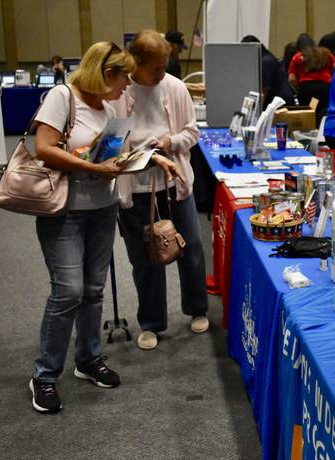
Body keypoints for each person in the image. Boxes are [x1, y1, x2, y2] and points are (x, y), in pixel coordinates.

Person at [28, 41, 179, 413]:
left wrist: (151, 158)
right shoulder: (62, 97)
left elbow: (116, 157)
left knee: (93, 290)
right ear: (105, 74)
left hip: (101, 209)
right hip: (63, 211)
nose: (128, 85)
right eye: (124, 77)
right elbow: (44, 147)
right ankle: (44, 376)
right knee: (68, 291)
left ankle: (88, 359)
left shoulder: (110, 107)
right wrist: (94, 169)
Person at [111, 30, 209, 351]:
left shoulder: (175, 87)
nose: (161, 72)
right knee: (146, 259)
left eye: (165, 64)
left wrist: (170, 142)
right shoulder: (120, 92)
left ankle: (197, 308)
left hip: (175, 184)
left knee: (190, 249)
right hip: (135, 189)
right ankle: (151, 322)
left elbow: (191, 132)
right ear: (135, 64)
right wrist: (147, 156)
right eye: (155, 67)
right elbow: (114, 145)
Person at [287, 33, 335, 124]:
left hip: (306, 89)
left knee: (308, 113)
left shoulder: (298, 57)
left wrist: (298, 88)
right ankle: (321, 132)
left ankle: (309, 132)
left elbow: (291, 78)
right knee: (323, 112)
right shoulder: (325, 53)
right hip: (324, 87)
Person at [241, 35, 295, 108]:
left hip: (281, 101)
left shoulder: (266, 61)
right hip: (280, 99)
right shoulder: (267, 58)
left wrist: (258, 109)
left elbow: (264, 89)